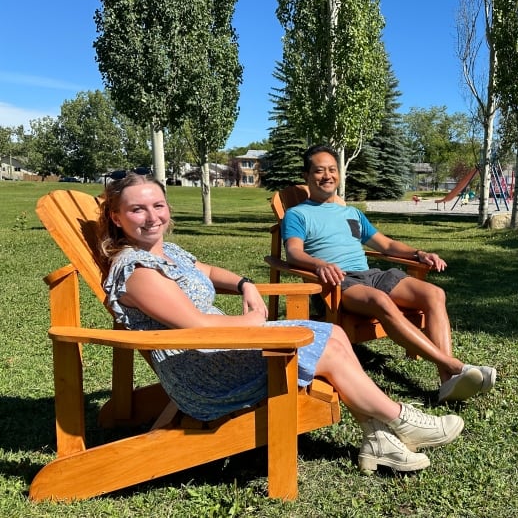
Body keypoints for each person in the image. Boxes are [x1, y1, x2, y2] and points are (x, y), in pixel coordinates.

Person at [97, 172, 466, 474]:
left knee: (332, 334)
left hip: (225, 348)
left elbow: (205, 270)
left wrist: (244, 285)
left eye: (158, 205)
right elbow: (196, 325)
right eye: (137, 210)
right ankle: (401, 419)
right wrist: (253, 320)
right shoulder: (138, 270)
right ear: (116, 217)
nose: (152, 217)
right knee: (327, 344)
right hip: (208, 370)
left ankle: (379, 439)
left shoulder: (165, 251)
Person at [282, 145, 497, 403]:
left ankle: (447, 380)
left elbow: (385, 245)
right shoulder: (298, 214)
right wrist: (319, 265)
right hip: (338, 282)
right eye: (319, 171)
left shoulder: (351, 213)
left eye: (332, 169)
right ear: (306, 176)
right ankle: (454, 365)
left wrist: (418, 254)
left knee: (434, 294)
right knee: (381, 301)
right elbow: (293, 253)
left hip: (371, 275)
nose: (327, 176)